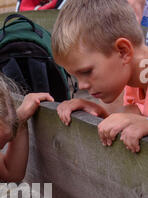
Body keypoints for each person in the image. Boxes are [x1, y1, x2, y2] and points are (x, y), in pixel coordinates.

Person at [51, 0, 148, 153]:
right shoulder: (134, 80)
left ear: (123, 51)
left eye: (86, 72)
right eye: (75, 77)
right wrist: (101, 114)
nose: (82, 85)